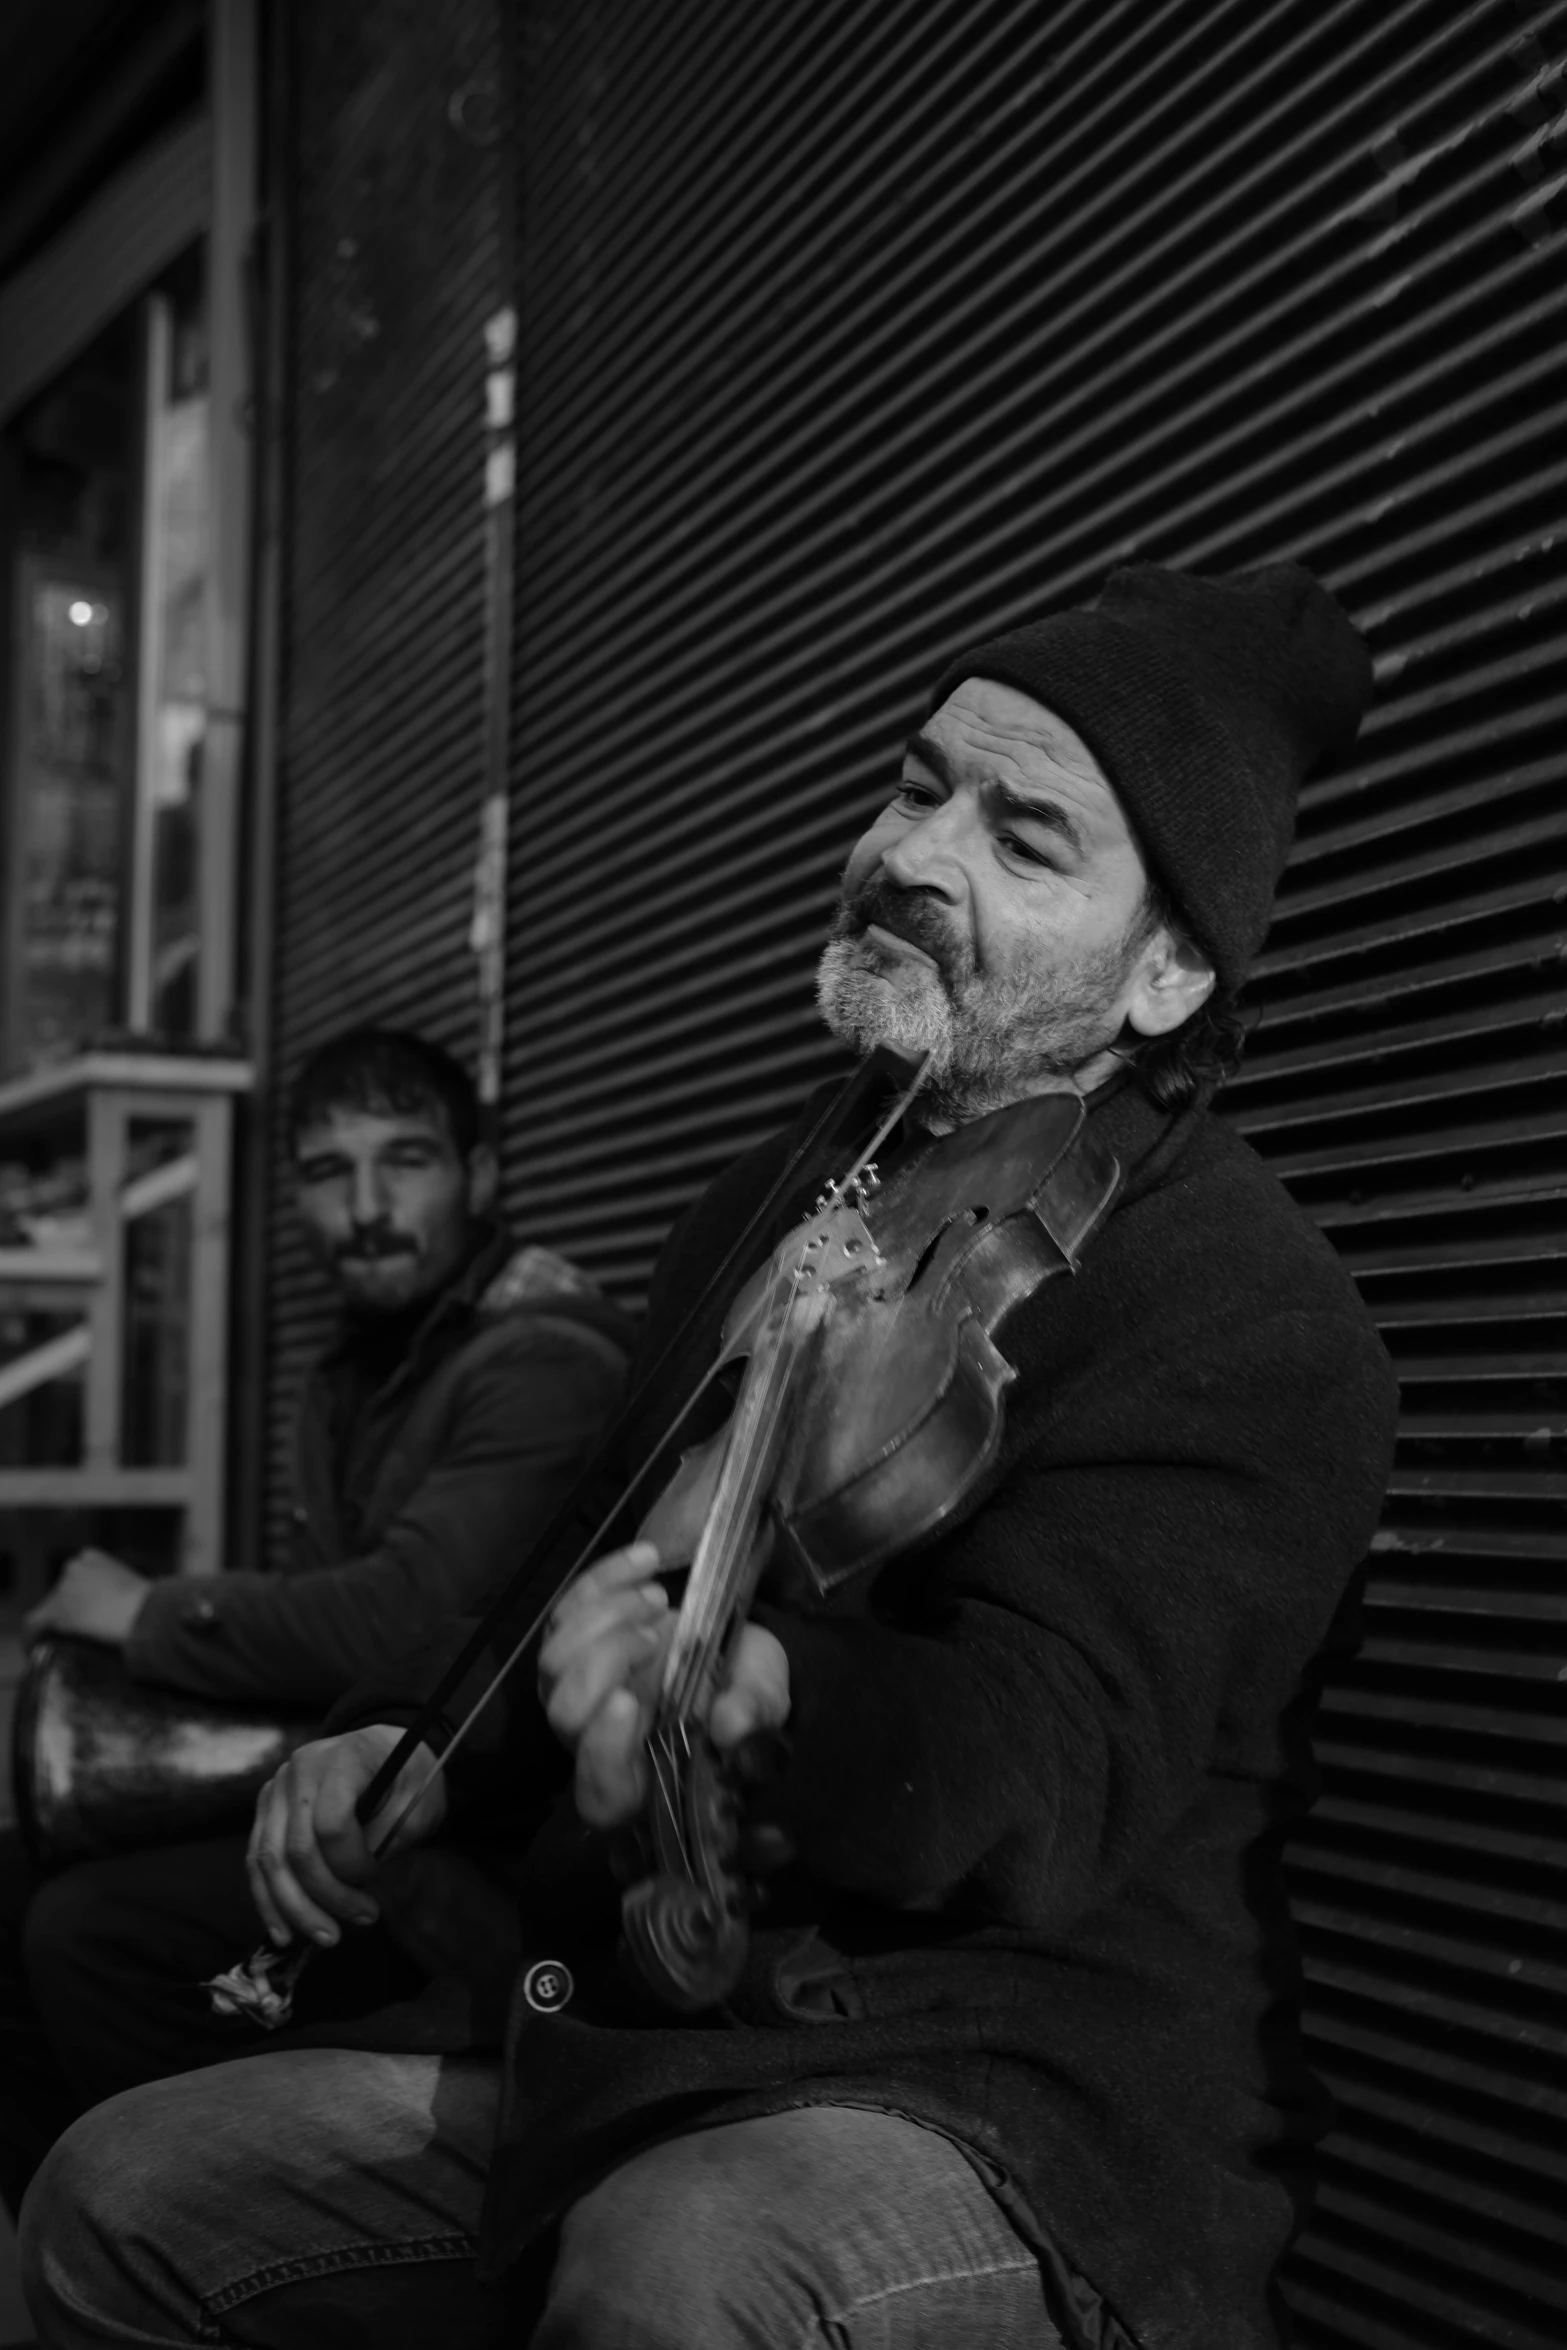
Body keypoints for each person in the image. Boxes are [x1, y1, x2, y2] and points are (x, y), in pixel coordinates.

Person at [22, 566, 1399, 2350]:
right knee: (116, 2196)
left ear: (1162, 974)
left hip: (998, 2083)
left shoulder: (1241, 1310)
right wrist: (429, 1749)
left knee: (675, 2267)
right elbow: (587, 1584)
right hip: (646, 2033)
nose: (919, 852)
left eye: (1025, 837)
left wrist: (764, 1692)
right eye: (918, 787)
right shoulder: (784, 1193)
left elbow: (1053, 1773)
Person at [0, 1025, 633, 2202]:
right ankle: (88, 2265)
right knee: (13, 1881)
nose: (368, 1208)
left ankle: (201, 2256)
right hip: (372, 1811)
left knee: (84, 1934)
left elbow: (404, 1622)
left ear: (481, 1176)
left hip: (492, 1862)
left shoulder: (543, 1358)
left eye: (406, 1162)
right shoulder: (359, 1364)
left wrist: (150, 1609)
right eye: (329, 1173)